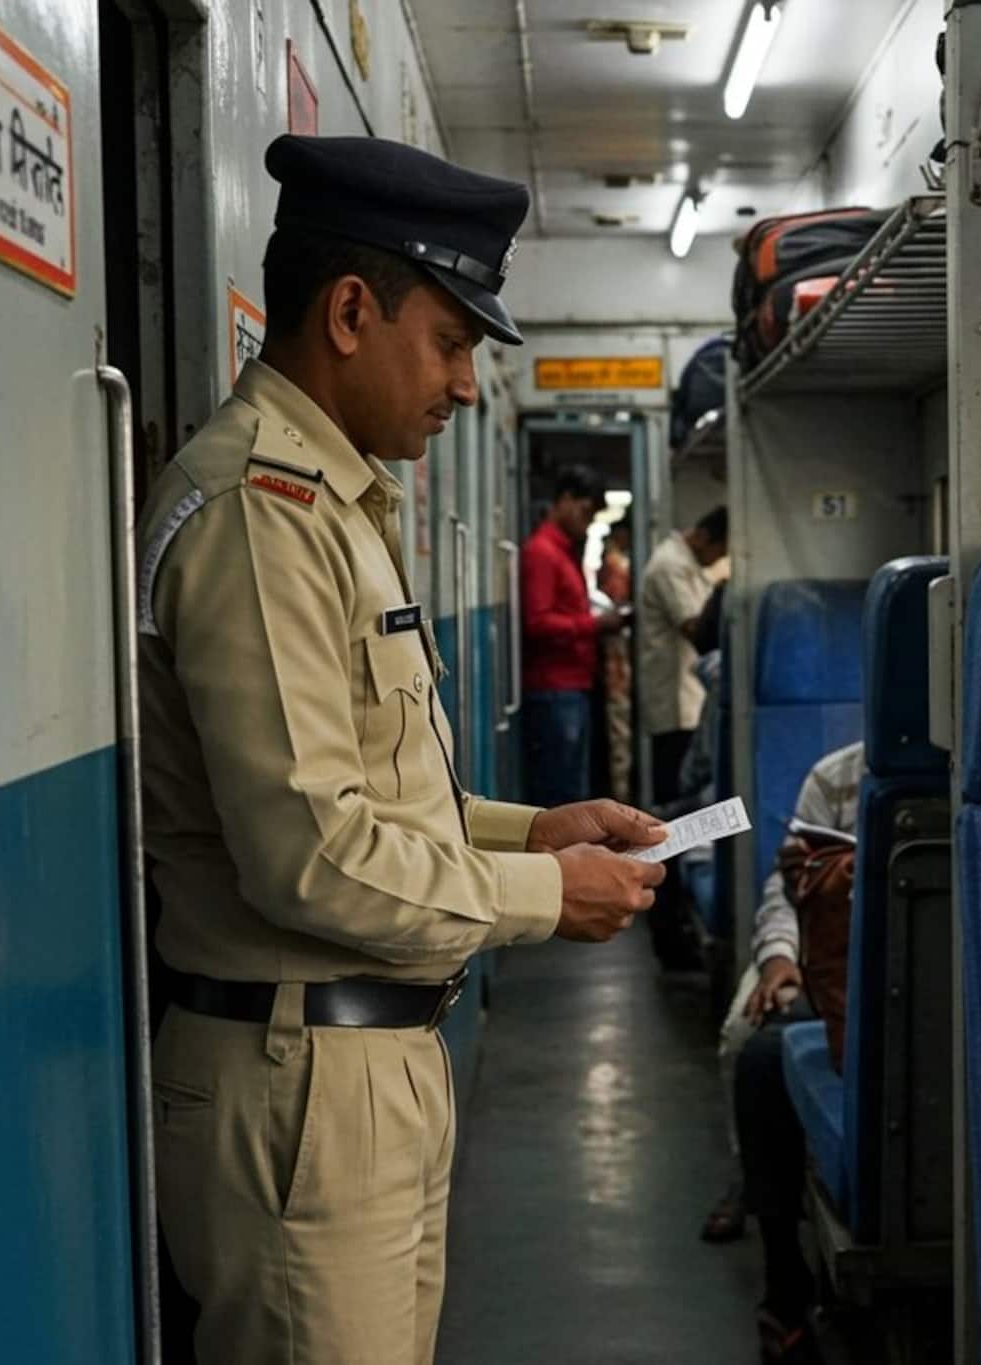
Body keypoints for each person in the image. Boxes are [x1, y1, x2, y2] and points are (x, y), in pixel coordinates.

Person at [134, 133, 668, 1365]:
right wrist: (544, 893)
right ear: (351, 311)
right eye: (452, 342)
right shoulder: (262, 518)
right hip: (302, 1081)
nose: (466, 384)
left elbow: (378, 786)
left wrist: (531, 828)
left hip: (360, 1058)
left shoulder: (334, 508)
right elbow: (310, 854)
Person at [725, 741, 865, 1363]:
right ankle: (782, 1275)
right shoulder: (837, 777)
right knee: (752, 1044)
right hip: (824, 963)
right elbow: (785, 892)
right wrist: (780, 958)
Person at [638, 506, 729, 966]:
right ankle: (667, 931)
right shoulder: (671, 565)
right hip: (676, 710)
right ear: (708, 539)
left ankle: (673, 923)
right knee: (671, 828)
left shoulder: (687, 563)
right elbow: (699, 631)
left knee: (684, 819)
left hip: (687, 707)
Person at [520, 464, 623, 808]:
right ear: (564, 500)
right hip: (554, 689)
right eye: (585, 510)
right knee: (561, 797)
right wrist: (593, 625)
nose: (588, 521)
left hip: (571, 687)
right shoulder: (543, 553)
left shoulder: (563, 551)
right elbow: (537, 622)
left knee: (573, 790)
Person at [599, 524, 634, 803]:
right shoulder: (615, 563)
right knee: (619, 735)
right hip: (616, 665)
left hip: (616, 664)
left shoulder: (612, 560)